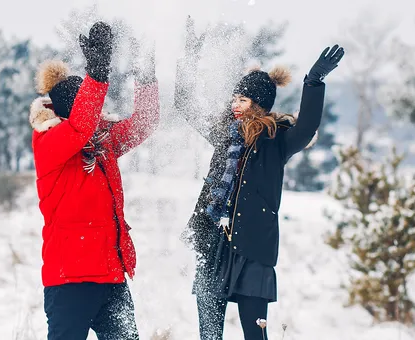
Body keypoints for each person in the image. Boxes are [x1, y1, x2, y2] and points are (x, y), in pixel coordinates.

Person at [174, 17, 344, 340]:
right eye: (234, 98)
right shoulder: (225, 134)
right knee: (209, 336)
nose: (235, 105)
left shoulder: (275, 141)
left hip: (252, 249)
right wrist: (190, 60)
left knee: (256, 336)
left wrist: (314, 81)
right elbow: (185, 105)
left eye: (243, 100)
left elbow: (306, 127)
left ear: (259, 104)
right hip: (214, 245)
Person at [29, 21, 159, 340]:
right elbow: (79, 128)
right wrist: (97, 74)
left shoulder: (103, 141)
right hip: (69, 281)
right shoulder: (50, 142)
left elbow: (144, 123)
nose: (97, 112)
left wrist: (145, 76)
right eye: (89, 105)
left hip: (112, 278)